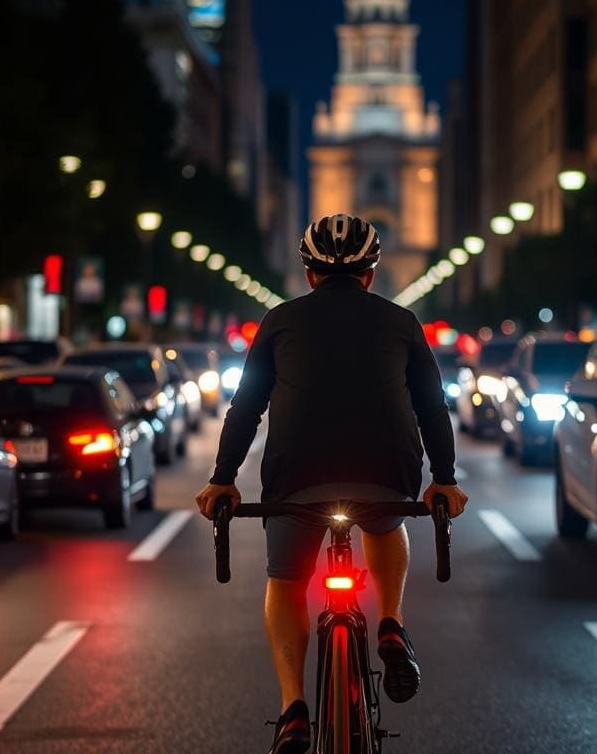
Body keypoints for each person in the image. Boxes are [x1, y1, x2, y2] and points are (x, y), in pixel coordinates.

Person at [194, 214, 468, 754]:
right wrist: (444, 480)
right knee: (386, 522)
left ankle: (294, 709)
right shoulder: (402, 321)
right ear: (371, 273)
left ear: (308, 272)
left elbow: (246, 406)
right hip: (385, 471)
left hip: (296, 477)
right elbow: (432, 407)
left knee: (288, 581)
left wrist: (223, 479)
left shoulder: (279, 321)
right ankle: (390, 622)